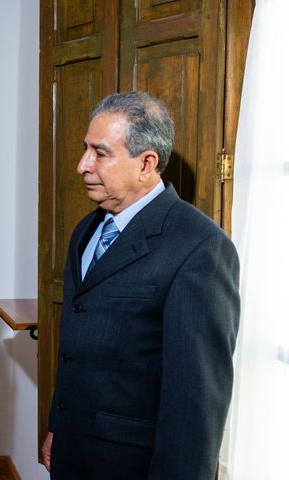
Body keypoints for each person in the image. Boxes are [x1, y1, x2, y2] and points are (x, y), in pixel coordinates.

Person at [41, 91, 240, 479]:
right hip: (73, 454)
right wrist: (57, 429)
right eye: (85, 149)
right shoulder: (86, 230)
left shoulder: (201, 247)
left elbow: (195, 404)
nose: (82, 165)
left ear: (146, 163)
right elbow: (77, 352)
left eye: (100, 153)